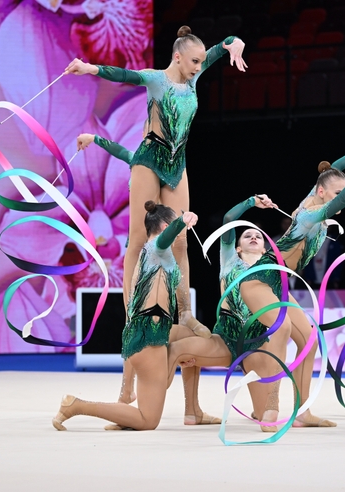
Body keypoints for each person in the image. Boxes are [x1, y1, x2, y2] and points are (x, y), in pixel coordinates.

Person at [66, 25, 247, 404]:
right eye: (194, 62)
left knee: (180, 237)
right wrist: (88, 67)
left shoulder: (194, 75)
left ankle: (185, 314)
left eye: (202, 62)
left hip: (176, 165)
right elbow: (123, 75)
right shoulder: (155, 79)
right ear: (177, 56)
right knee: (139, 241)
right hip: (148, 161)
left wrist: (235, 45)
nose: (200, 67)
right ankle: (133, 306)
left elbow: (224, 43)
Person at [239, 131, 345, 427]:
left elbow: (332, 170)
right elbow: (343, 199)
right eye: (334, 194)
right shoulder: (311, 214)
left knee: (309, 339)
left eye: (338, 193)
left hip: (279, 285)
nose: (338, 198)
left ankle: (302, 411)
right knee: (282, 328)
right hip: (259, 279)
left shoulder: (316, 194)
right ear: (323, 194)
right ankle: (271, 408)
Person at [52, 203, 198, 431]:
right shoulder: (155, 247)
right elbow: (163, 239)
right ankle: (76, 406)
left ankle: (122, 415)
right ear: (165, 225)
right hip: (149, 333)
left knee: (183, 342)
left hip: (147, 332)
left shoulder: (153, 254)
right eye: (174, 226)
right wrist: (182, 220)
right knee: (147, 420)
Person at [167, 195, 291, 432]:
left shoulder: (272, 270)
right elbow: (229, 219)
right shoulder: (230, 260)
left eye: (258, 236)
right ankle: (190, 411)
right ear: (237, 247)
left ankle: (258, 405)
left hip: (255, 344)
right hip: (225, 339)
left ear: (266, 248)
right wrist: (251, 202)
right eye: (247, 235)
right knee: (180, 347)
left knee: (263, 417)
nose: (254, 237)